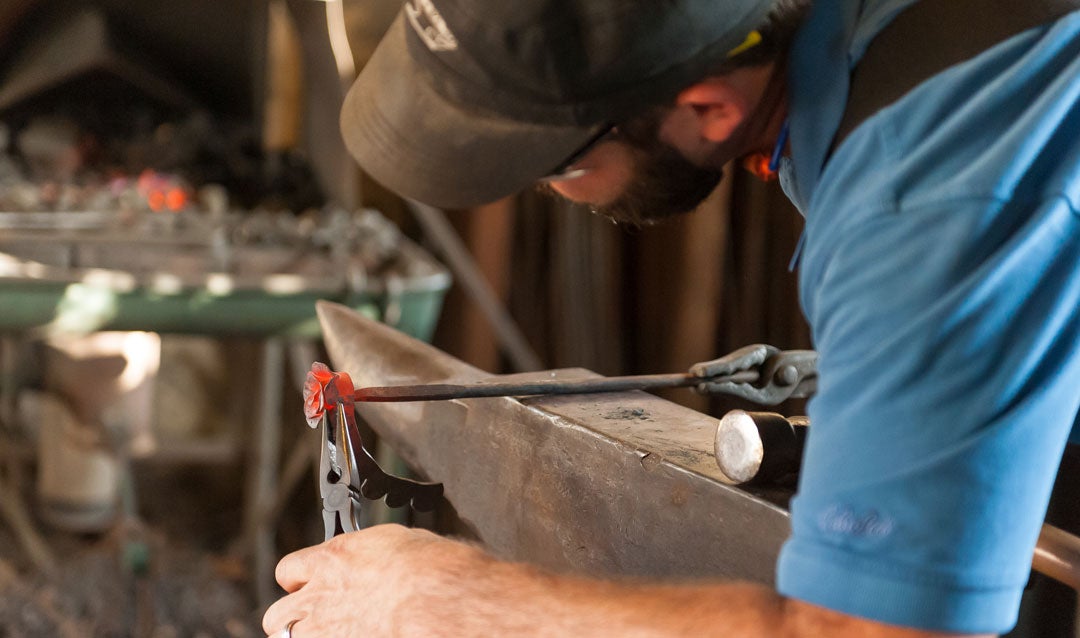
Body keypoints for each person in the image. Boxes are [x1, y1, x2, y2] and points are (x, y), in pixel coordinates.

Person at [263, 0, 1080, 636]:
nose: (547, 192)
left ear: (711, 109)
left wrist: (448, 603)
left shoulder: (923, 198)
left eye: (556, 168)